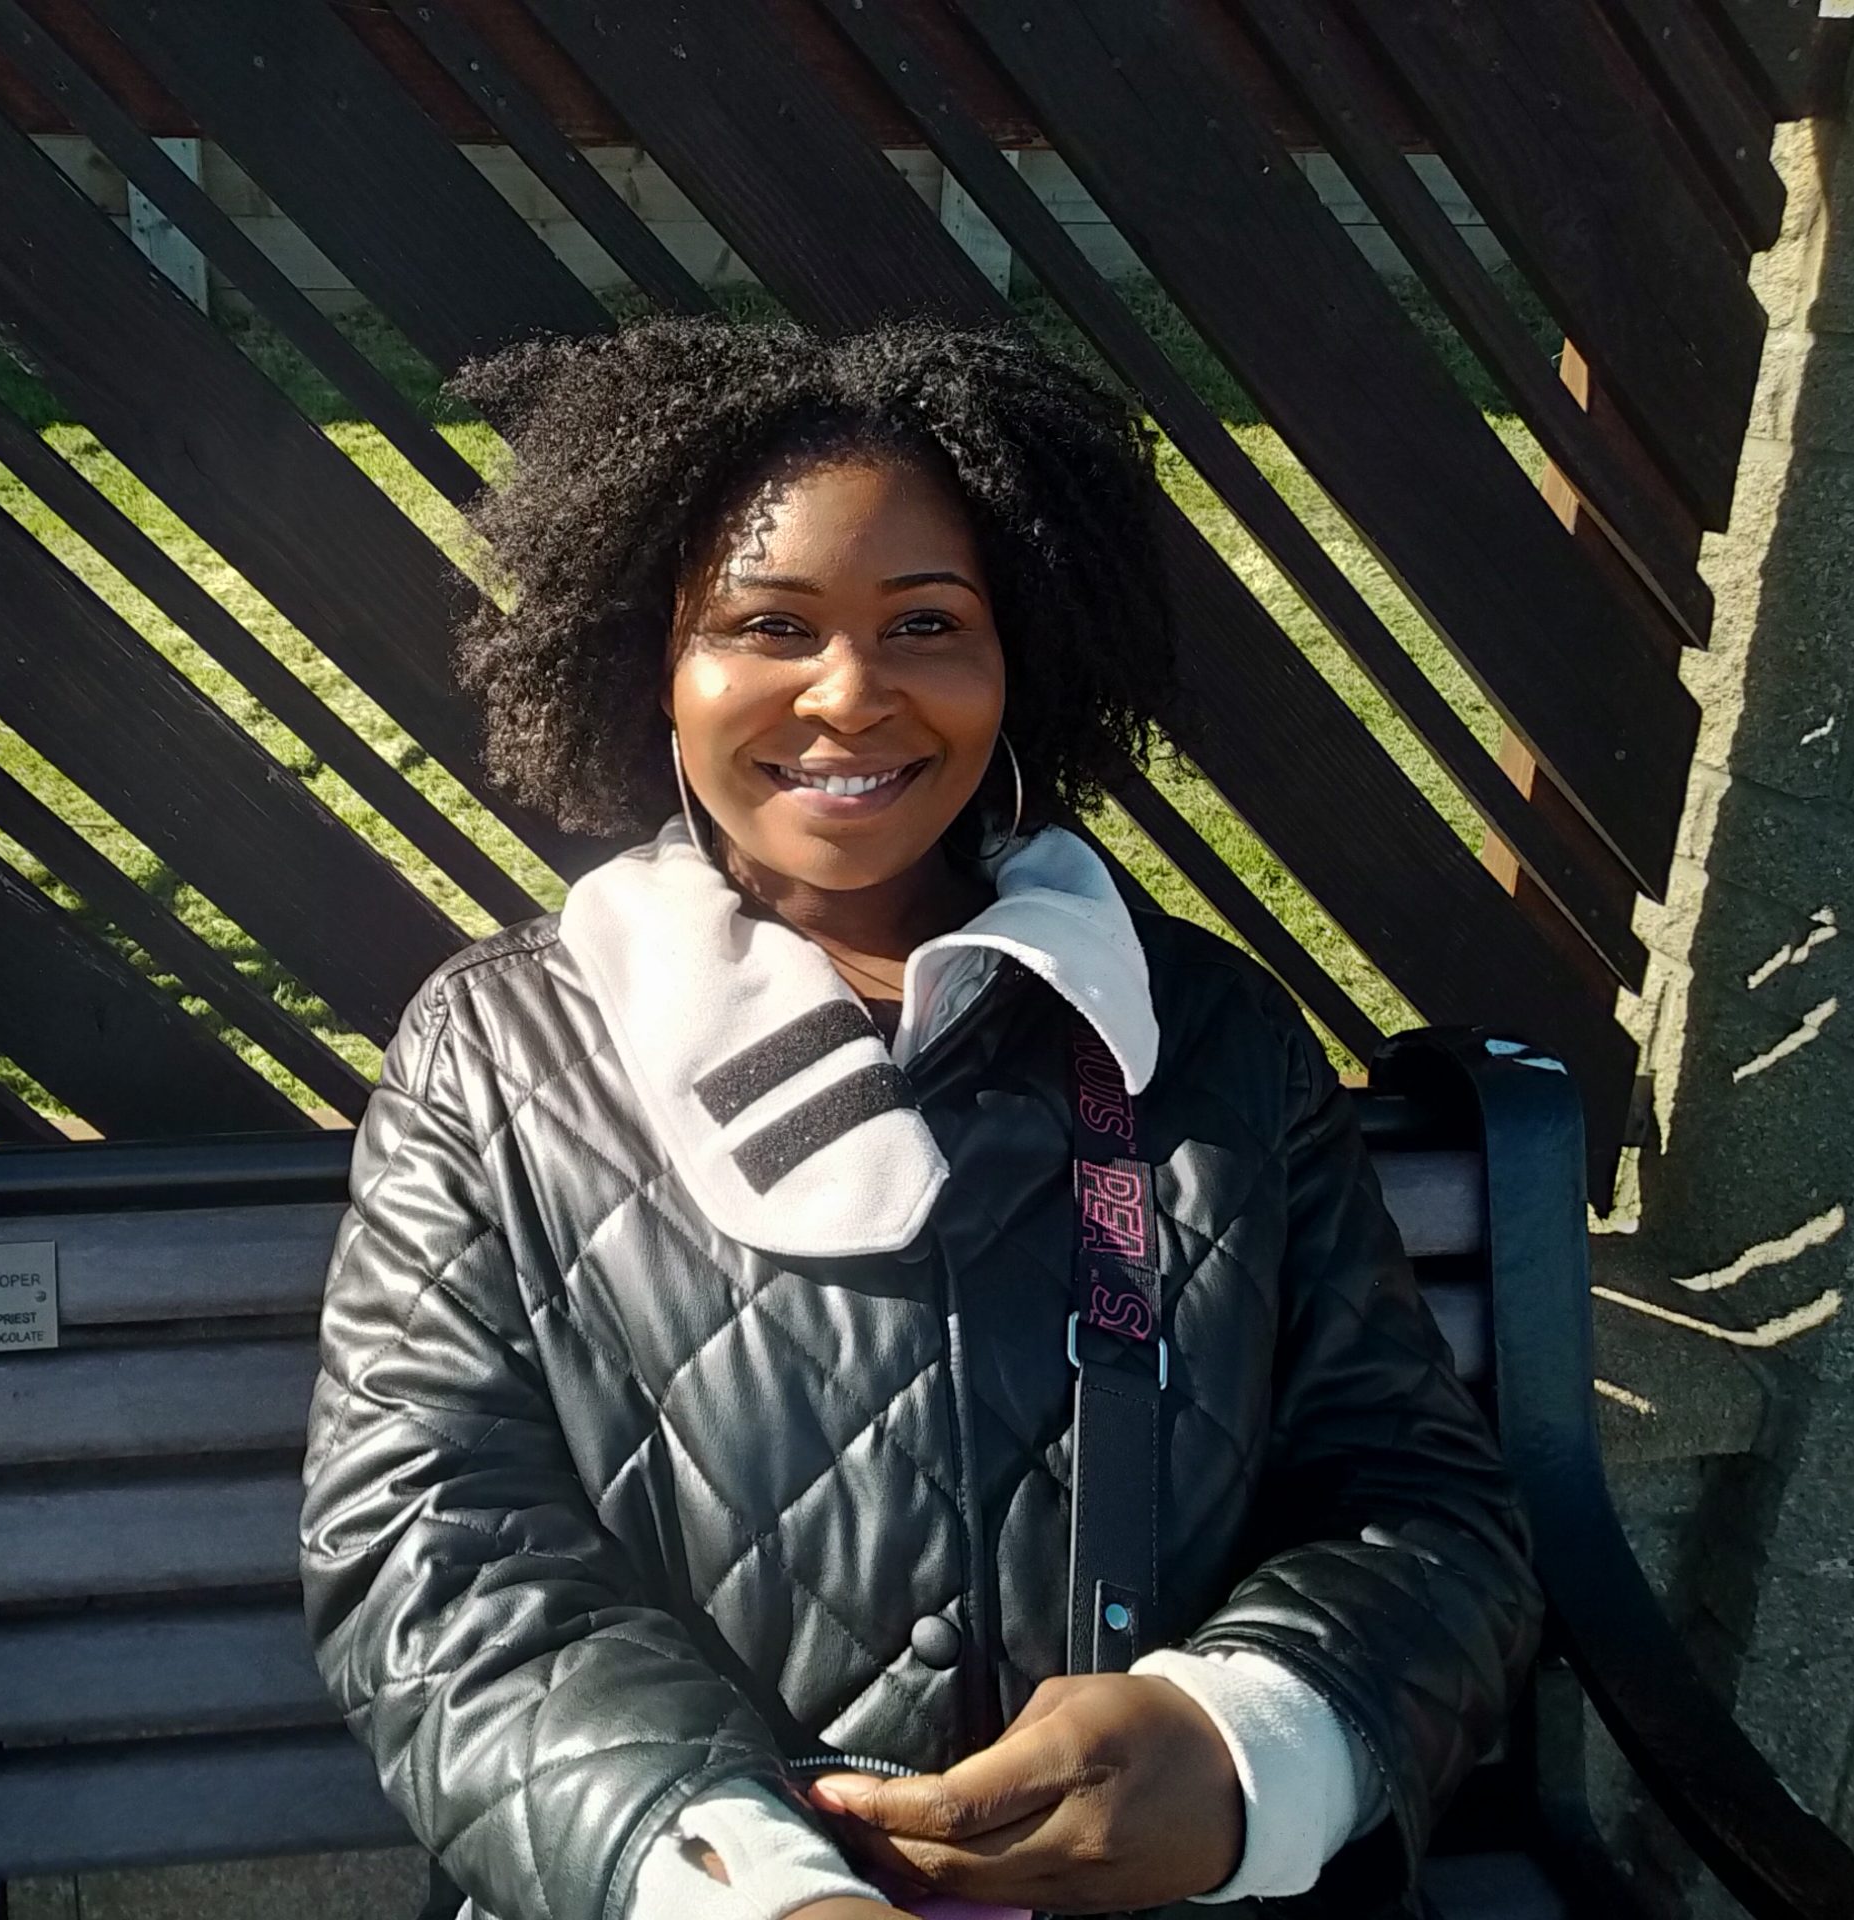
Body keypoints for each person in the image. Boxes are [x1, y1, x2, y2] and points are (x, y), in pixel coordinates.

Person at [299, 318, 1539, 1920]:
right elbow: (432, 1557)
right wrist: (737, 1878)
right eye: (767, 624)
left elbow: (1423, 1506)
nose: (850, 696)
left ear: (1019, 660)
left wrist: (1244, 1751)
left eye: (928, 624)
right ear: (652, 670)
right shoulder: (502, 1053)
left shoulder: (1208, 1038)